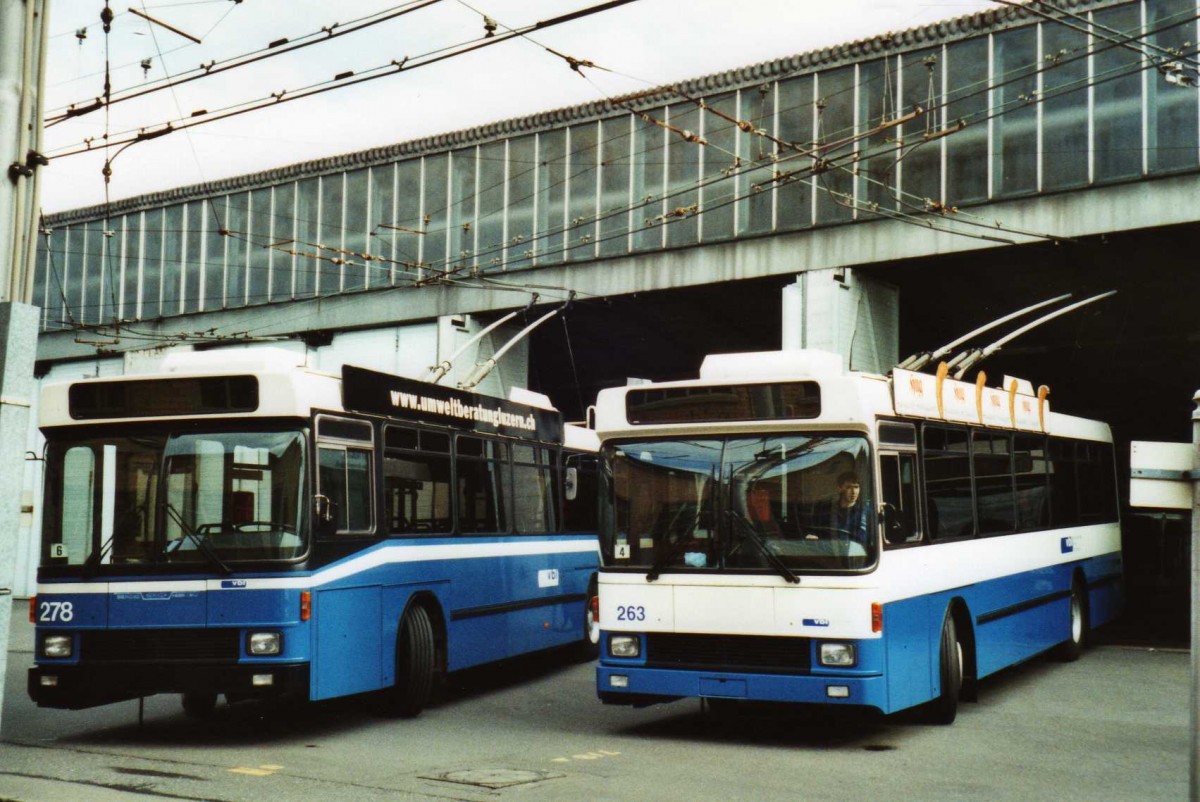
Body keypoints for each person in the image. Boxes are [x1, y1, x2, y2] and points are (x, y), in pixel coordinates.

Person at [813, 471, 869, 545]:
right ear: (839, 488)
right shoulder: (828, 510)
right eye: (849, 487)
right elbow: (817, 530)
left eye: (856, 487)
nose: (853, 492)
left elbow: (864, 537)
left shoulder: (864, 512)